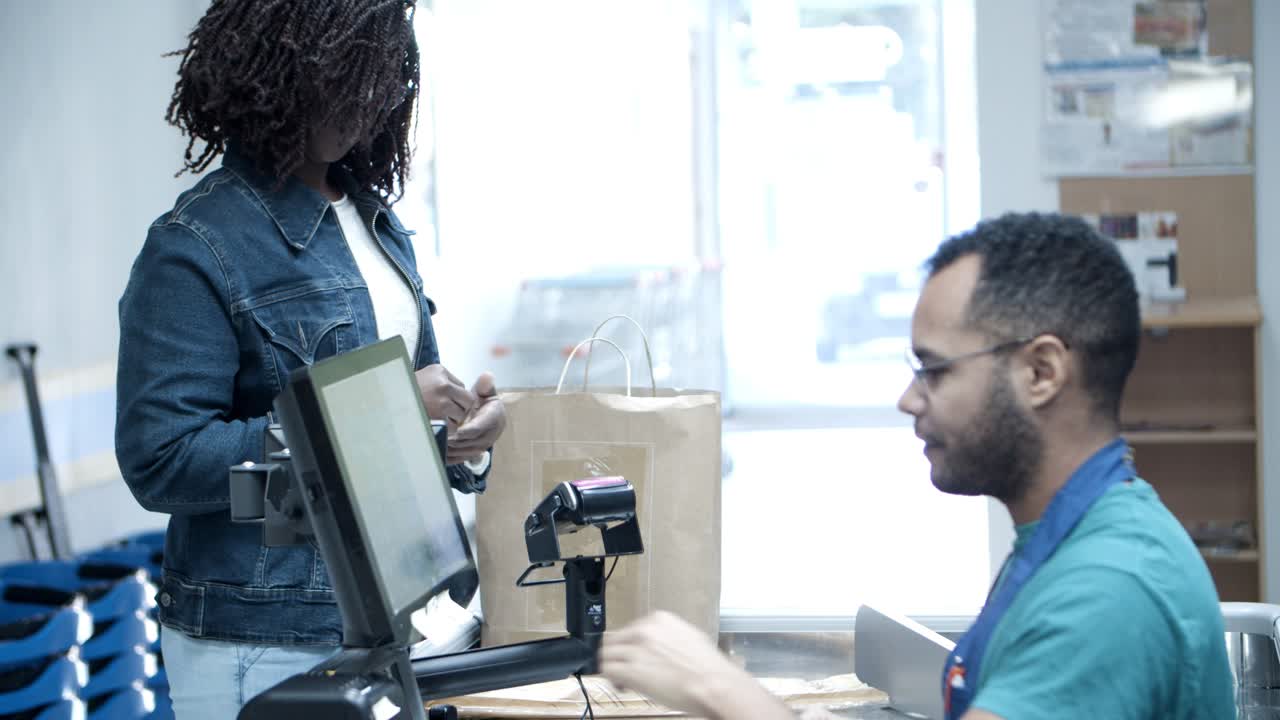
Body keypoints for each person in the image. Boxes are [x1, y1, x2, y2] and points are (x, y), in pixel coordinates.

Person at [599, 212, 1235, 719]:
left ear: (1041, 372)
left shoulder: (1108, 591)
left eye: (935, 370)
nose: (909, 399)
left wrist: (719, 689)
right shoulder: (1066, 539)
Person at [114, 1, 506, 717]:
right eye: (348, 71)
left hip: (398, 618)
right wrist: (373, 415)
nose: (369, 97)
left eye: (383, 74)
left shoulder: (378, 223)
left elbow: (404, 422)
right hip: (266, 639)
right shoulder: (195, 245)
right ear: (278, 69)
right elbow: (161, 460)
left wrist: (459, 440)